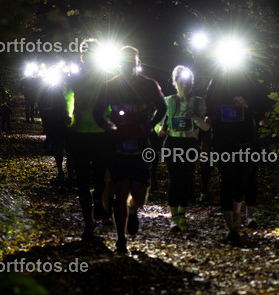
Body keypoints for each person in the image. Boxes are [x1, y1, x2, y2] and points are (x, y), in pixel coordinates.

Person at [93, 46, 166, 254]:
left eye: (131, 63)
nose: (128, 66)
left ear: (138, 63)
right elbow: (97, 110)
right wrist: (107, 125)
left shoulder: (149, 85)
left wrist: (150, 125)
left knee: (140, 195)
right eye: (124, 63)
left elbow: (163, 108)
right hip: (117, 146)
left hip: (141, 146)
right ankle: (121, 238)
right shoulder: (110, 85)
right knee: (120, 192)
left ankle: (133, 210)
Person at [205, 71, 263, 244]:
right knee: (227, 181)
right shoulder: (216, 81)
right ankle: (231, 227)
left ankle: (237, 216)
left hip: (244, 141)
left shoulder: (248, 79)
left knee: (241, 182)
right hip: (223, 141)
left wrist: (247, 105)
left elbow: (260, 102)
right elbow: (209, 106)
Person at [64, 39, 111, 241]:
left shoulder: (103, 77)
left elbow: (112, 101)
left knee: (92, 179)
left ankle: (93, 213)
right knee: (86, 180)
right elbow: (67, 96)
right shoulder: (83, 76)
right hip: (87, 133)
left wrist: (68, 116)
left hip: (90, 133)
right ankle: (89, 223)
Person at [159, 65, 209, 232]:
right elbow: (158, 125)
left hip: (190, 144)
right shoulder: (168, 101)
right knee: (175, 179)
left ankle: (182, 215)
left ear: (191, 84)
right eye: (182, 83)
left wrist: (194, 116)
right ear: (175, 83)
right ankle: (174, 218)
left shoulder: (199, 102)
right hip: (172, 143)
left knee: (187, 180)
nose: (185, 86)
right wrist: (160, 128)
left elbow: (205, 127)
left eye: (188, 83)